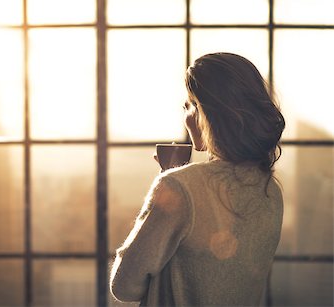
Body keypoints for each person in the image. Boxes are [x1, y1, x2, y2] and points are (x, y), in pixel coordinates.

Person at [110, 52, 285, 306]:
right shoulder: (270, 190)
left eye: (190, 104)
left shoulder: (180, 187)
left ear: (209, 114)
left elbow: (124, 286)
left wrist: (166, 186)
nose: (186, 113)